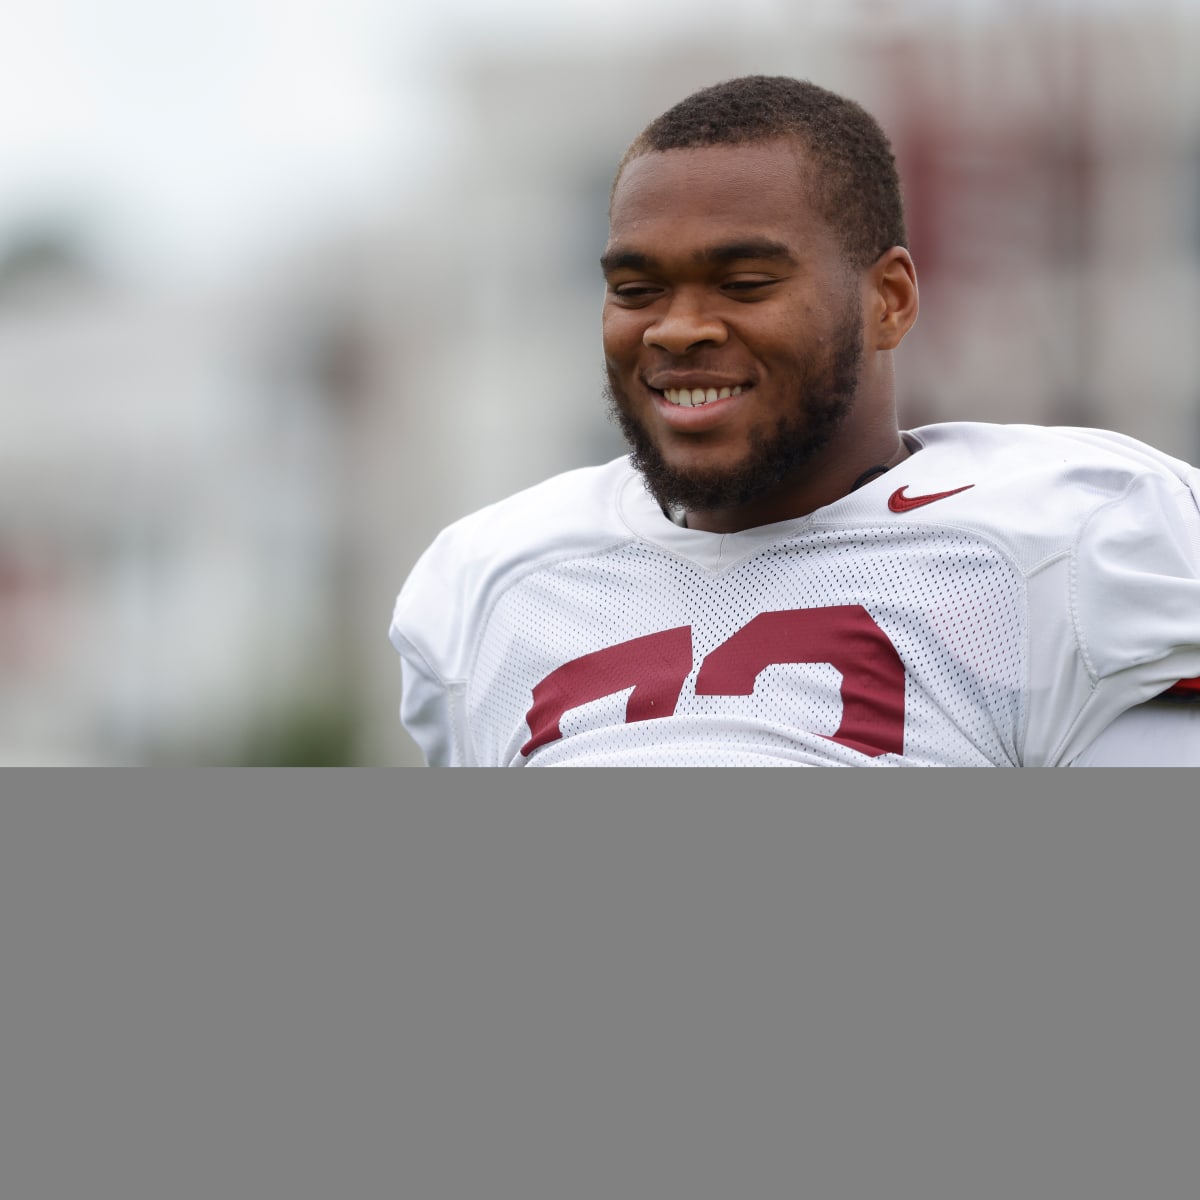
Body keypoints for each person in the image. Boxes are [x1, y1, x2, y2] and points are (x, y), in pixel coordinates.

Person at [389, 75, 1200, 767]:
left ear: (890, 300)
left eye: (742, 283)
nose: (677, 329)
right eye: (637, 290)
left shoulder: (1071, 544)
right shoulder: (493, 580)